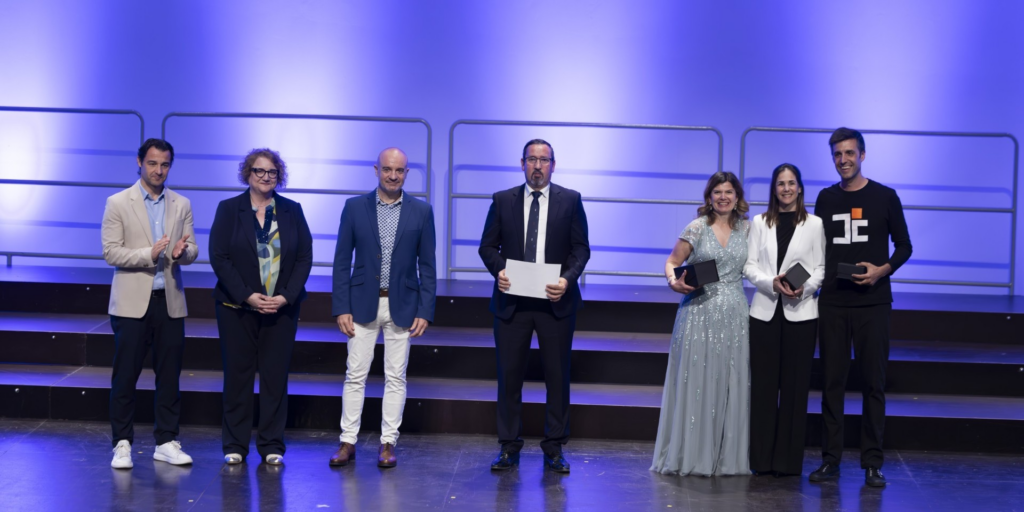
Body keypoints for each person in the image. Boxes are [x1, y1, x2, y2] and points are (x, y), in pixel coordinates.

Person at [478, 139, 590, 473]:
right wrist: (500, 271)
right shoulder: (502, 200)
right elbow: (487, 246)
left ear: (553, 165)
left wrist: (567, 280)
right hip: (512, 302)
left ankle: (554, 447)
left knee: (557, 377)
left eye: (544, 160)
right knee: (509, 378)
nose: (537, 166)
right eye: (532, 159)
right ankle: (508, 446)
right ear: (522, 163)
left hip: (555, 302)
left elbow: (580, 249)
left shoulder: (570, 200)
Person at [809, 127, 912, 487]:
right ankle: (830, 460)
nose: (843, 160)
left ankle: (872, 462)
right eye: (837, 155)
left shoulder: (885, 196)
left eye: (849, 153)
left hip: (874, 302)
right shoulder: (824, 199)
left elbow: (904, 246)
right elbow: (814, 249)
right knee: (832, 383)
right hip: (834, 302)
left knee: (873, 383)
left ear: (862, 155)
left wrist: (881, 270)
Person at [329, 147, 437, 468]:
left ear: (407, 173)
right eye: (387, 169)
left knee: (396, 376)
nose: (393, 175)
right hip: (361, 303)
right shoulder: (354, 207)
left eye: (399, 171)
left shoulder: (421, 211)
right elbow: (340, 262)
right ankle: (348, 441)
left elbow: (428, 267)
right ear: (376, 170)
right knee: (355, 374)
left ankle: (388, 442)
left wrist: (425, 310)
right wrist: (341, 307)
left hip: (402, 304)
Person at [209, 148, 313, 466]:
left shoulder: (292, 210)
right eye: (259, 171)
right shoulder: (229, 209)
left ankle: (271, 444)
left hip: (280, 308)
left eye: (272, 173)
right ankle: (235, 445)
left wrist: (285, 296)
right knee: (238, 377)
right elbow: (220, 257)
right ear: (248, 174)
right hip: (236, 308)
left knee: (274, 378)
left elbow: (304, 257)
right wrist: (247, 296)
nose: (266, 177)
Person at [102, 138, 198, 469]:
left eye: (165, 164)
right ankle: (122, 442)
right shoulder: (118, 202)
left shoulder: (181, 203)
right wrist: (150, 254)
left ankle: (166, 440)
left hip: (169, 300)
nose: (159, 170)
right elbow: (110, 251)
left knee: (169, 376)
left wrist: (181, 253)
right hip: (131, 304)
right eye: (153, 163)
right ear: (140, 163)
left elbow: (193, 248)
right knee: (125, 376)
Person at [651, 171, 750, 476]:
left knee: (730, 383)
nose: (723, 197)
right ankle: (690, 454)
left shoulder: (748, 230)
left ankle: (725, 456)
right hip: (698, 313)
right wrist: (673, 281)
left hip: (735, 315)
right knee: (696, 384)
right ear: (709, 197)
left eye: (729, 192)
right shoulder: (696, 228)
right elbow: (671, 262)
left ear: (737, 197)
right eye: (717, 192)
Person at [743, 163, 825, 477]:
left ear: (800, 188)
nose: (786, 189)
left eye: (791, 183)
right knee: (763, 388)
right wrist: (770, 283)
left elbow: (821, 268)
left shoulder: (815, 224)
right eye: (781, 184)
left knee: (794, 390)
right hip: (764, 312)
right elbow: (749, 266)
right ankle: (761, 460)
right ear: (774, 189)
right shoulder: (759, 222)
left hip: (801, 314)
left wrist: (806, 289)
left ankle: (788, 463)